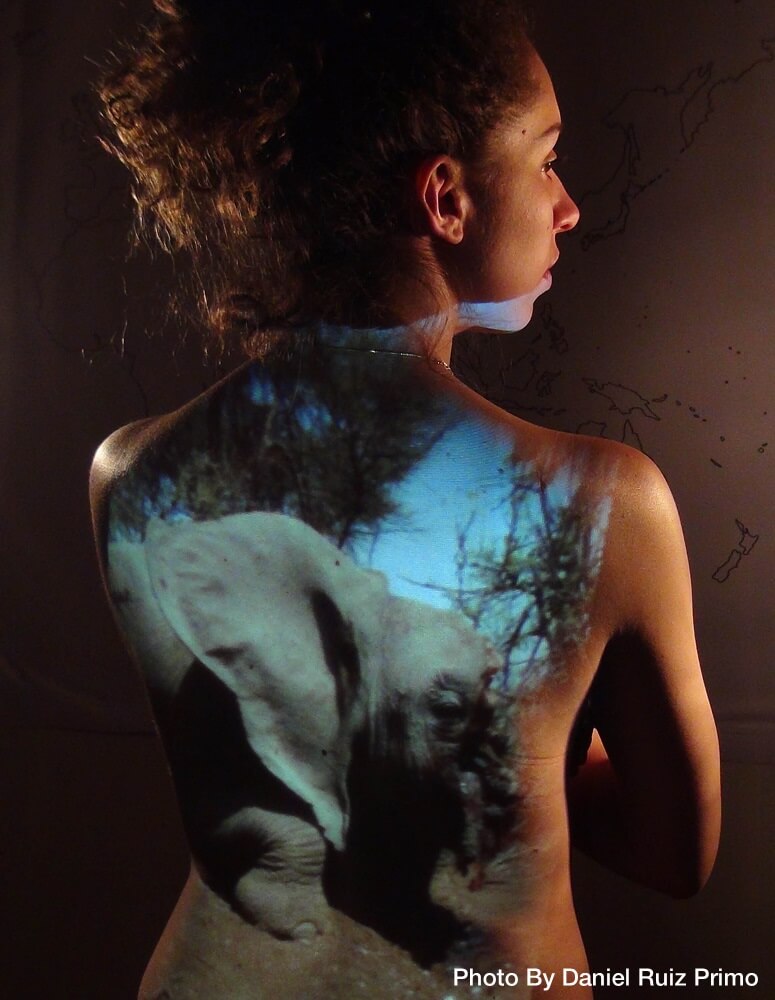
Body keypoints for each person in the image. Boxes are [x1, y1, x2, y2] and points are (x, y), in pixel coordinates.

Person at [90, 2, 721, 997]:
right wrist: (522, 728)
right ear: (445, 198)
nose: (566, 207)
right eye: (547, 158)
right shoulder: (601, 501)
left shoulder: (132, 473)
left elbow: (262, 775)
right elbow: (670, 854)